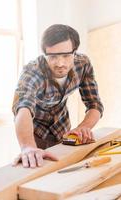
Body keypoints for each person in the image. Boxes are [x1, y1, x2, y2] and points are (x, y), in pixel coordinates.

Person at [12, 24, 104, 168]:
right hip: (35, 134)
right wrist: (28, 147)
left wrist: (82, 128)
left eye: (66, 56)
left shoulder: (83, 64)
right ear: (44, 54)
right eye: (53, 57)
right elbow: (23, 108)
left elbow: (95, 104)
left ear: (75, 51)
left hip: (63, 130)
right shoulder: (32, 71)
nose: (60, 63)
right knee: (36, 172)